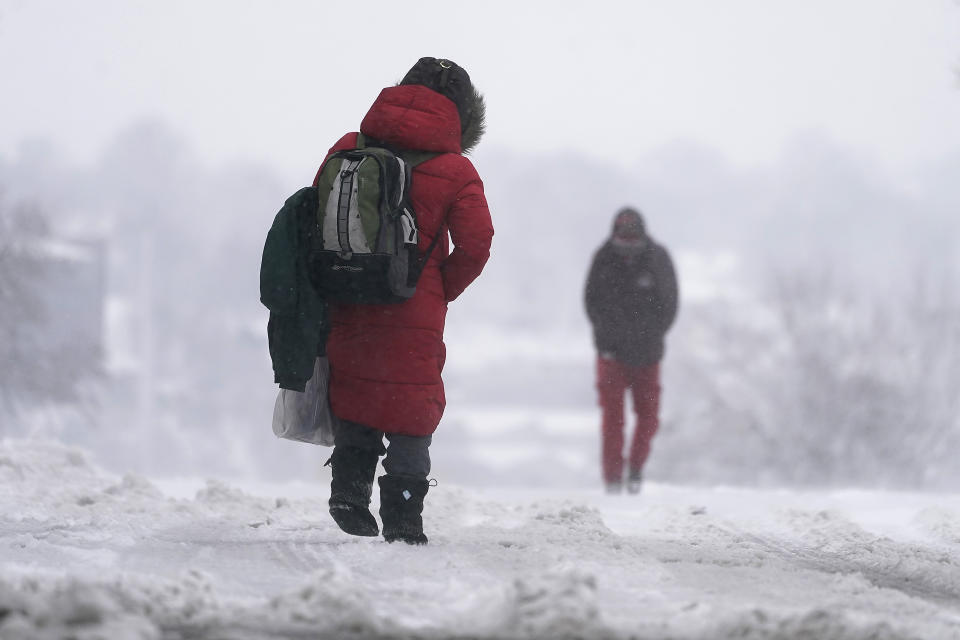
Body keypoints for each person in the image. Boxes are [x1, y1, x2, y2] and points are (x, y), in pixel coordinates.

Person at [316, 58, 493, 544]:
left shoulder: (349, 148)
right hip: (416, 304)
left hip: (349, 292)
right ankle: (404, 519)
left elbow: (316, 213)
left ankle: (349, 492)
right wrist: (438, 289)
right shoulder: (457, 169)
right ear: (461, 113)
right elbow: (477, 245)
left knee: (357, 389)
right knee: (412, 408)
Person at [584, 207, 678, 494]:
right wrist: (606, 339)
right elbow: (591, 303)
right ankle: (613, 478)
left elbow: (670, 303)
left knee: (648, 417)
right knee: (613, 419)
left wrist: (652, 336)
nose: (627, 241)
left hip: (648, 356)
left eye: (632, 235)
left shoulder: (658, 259)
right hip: (611, 355)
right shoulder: (603, 258)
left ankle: (635, 469)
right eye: (622, 235)